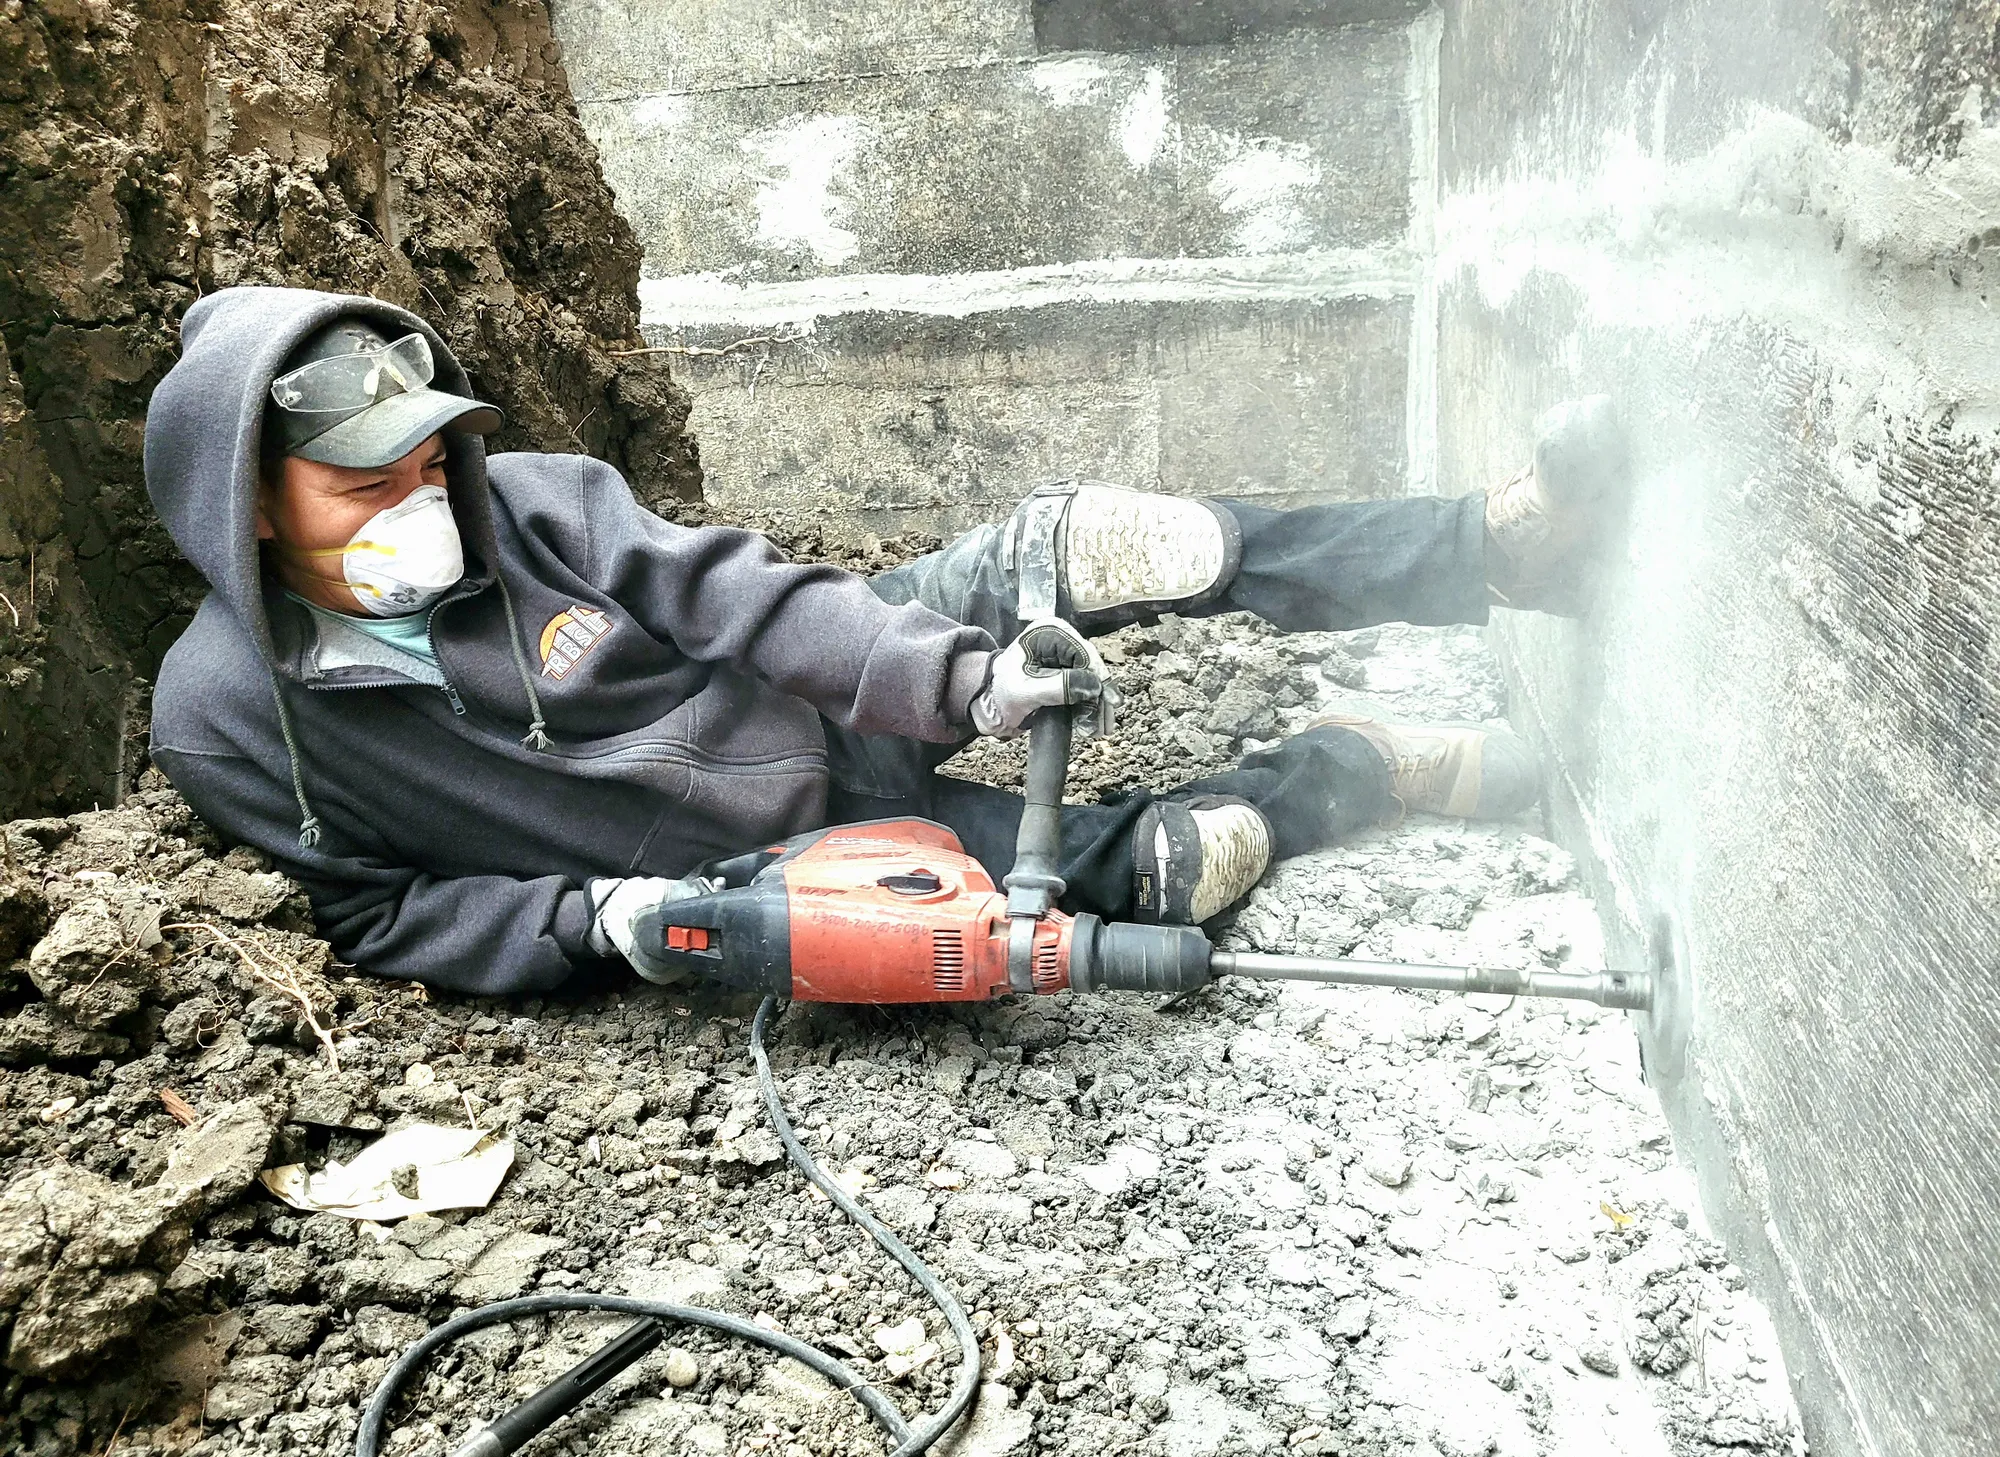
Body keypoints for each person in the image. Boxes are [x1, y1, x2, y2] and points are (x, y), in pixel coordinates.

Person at [142, 288, 1629, 994]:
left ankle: (1490, 550)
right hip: (783, 857)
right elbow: (376, 914)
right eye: (363, 486)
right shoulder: (228, 721)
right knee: (1172, 868)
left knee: (1108, 541)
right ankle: (1361, 766)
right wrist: (594, 924)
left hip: (836, 687)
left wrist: (959, 679)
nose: (422, 507)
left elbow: (749, 601)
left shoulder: (529, 506)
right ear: (249, 506)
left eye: (425, 466)